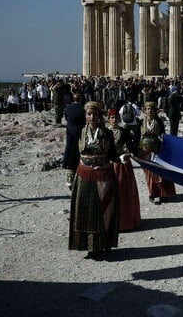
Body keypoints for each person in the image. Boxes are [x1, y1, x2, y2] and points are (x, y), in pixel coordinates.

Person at [68, 101, 119, 260]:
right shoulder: (79, 133)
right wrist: (70, 175)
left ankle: (101, 246)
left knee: (102, 211)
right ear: (85, 115)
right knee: (85, 212)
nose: (92, 117)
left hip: (103, 175)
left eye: (95, 114)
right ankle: (88, 247)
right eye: (89, 114)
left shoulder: (107, 134)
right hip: (83, 176)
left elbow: (112, 154)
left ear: (99, 116)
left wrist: (122, 158)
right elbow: (72, 153)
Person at [107, 108, 141, 231]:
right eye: (112, 118)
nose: (114, 120)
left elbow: (131, 146)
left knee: (123, 191)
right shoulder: (104, 132)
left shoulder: (124, 131)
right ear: (108, 119)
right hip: (109, 164)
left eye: (116, 117)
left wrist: (140, 153)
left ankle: (125, 221)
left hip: (122, 166)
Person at [139, 101, 176, 204]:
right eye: (148, 109)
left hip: (157, 149)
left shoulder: (158, 122)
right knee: (149, 174)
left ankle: (162, 193)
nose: (150, 111)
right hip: (144, 151)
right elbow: (137, 136)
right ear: (145, 111)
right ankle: (152, 193)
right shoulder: (140, 122)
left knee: (158, 172)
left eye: (152, 109)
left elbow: (163, 135)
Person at [62, 93, 86, 189]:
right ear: (80, 99)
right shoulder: (83, 109)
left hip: (71, 134)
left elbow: (67, 118)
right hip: (81, 134)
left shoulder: (68, 108)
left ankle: (70, 180)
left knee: (70, 155)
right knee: (80, 154)